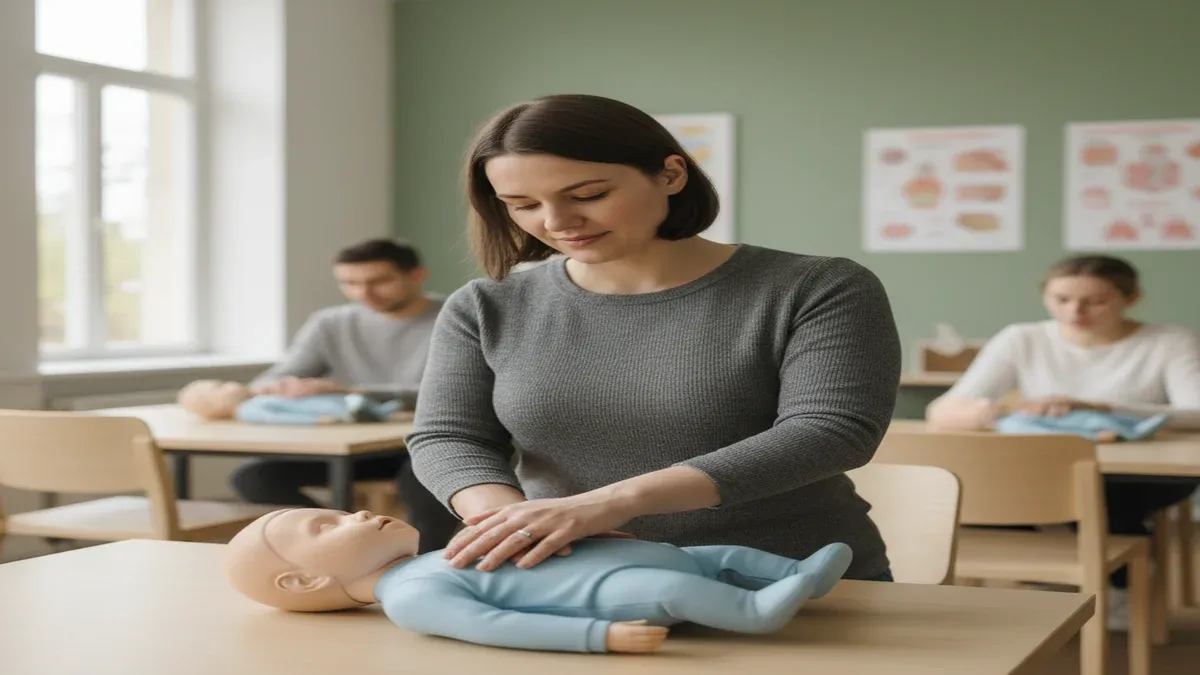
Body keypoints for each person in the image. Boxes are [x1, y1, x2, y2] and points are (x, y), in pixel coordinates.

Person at [404, 94, 902, 582]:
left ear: (671, 174)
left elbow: (830, 432)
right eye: (523, 205)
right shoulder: (484, 305)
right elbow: (448, 436)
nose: (556, 223)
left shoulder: (817, 287)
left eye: (588, 196)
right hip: (578, 582)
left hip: (791, 580)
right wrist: (515, 527)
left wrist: (606, 506)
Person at [927, 254, 1200, 621]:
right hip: (1041, 471)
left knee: (1104, 501)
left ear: (1131, 298)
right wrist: (1004, 412)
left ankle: (1111, 588)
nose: (1075, 312)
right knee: (1000, 494)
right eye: (1061, 300)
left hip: (1142, 475)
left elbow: (1195, 412)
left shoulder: (1170, 341)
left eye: (1096, 301)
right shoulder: (1021, 338)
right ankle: (1057, 581)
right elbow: (943, 409)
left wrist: (1097, 406)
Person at [221, 506, 854, 653]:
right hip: (617, 593)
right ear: (302, 584)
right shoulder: (413, 597)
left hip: (641, 554)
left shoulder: (429, 560)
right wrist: (597, 636)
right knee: (685, 589)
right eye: (327, 526)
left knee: (715, 550)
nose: (357, 511)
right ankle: (759, 612)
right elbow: (497, 625)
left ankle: (799, 574)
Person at [229, 238, 460, 553]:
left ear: (417, 275)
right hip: (359, 447)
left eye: (379, 281)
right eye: (349, 283)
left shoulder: (455, 315)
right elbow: (274, 378)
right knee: (254, 478)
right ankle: (356, 547)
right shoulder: (331, 323)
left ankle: (429, 566)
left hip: (426, 444)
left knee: (424, 481)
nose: (363, 293)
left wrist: (351, 391)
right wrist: (284, 388)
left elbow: (451, 393)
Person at [177, 379, 403, 425]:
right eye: (219, 387)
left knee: (352, 403)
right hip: (322, 411)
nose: (229, 384)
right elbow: (279, 417)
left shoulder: (258, 398)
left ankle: (385, 410)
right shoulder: (250, 409)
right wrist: (316, 419)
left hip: (327, 404)